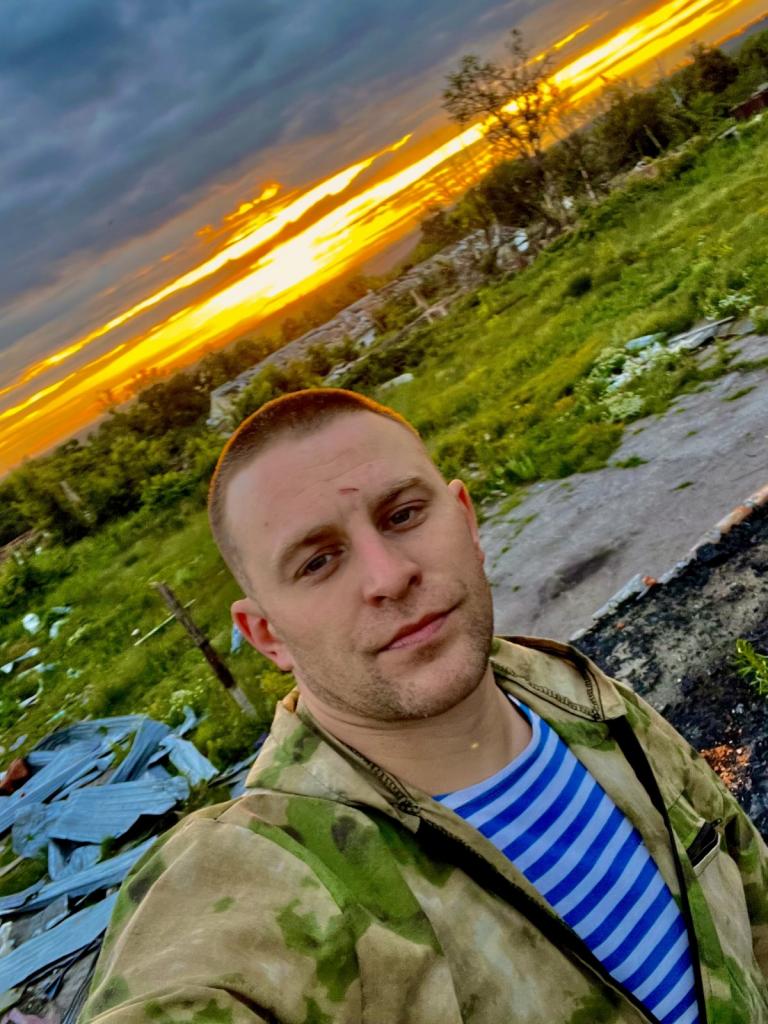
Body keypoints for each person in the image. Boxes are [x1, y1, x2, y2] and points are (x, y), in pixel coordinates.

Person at [82, 388, 767, 1024]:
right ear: (268, 636)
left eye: (403, 515)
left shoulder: (579, 695)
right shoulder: (274, 871)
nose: (389, 575)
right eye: (317, 562)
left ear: (465, 520)